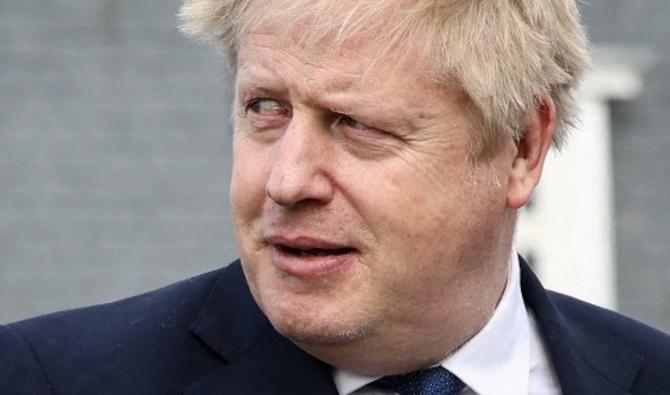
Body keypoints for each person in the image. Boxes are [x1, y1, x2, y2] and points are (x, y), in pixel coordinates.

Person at [2, 0, 669, 394]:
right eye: (266, 108)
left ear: (521, 148)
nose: (287, 181)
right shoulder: (48, 379)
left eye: (356, 124)